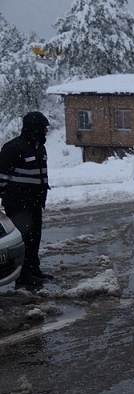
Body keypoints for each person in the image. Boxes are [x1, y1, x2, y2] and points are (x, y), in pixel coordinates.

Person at [0, 112, 52, 287]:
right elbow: (1, 178)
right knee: (24, 240)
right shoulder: (13, 148)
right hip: (18, 205)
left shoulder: (39, 148)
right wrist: (11, 197)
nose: (46, 131)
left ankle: (34, 269)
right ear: (33, 129)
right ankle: (23, 276)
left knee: (34, 239)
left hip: (35, 203)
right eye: (43, 128)